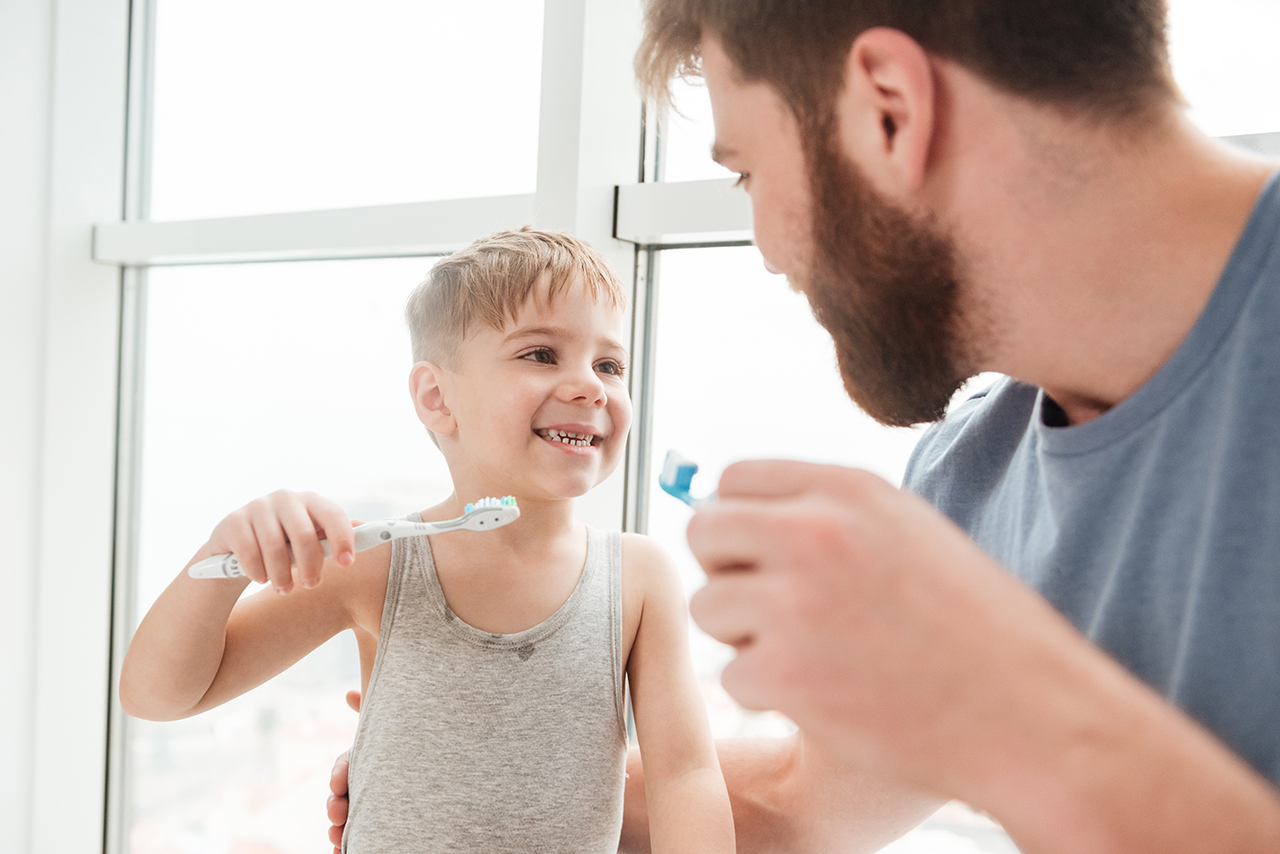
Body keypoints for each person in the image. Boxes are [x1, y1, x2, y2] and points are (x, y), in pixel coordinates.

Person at [329, 2, 1280, 852]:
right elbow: (800, 805)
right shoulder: (977, 478)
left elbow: (1005, 721)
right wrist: (479, 771)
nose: (772, 253)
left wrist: (1008, 709)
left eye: (746, 172)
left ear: (889, 109)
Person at [119, 228, 735, 854]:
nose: (591, 386)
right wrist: (226, 557)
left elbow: (685, 775)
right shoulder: (375, 562)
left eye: (609, 364)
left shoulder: (640, 577)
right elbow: (160, 695)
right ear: (437, 398)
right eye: (542, 355)